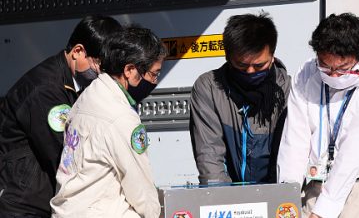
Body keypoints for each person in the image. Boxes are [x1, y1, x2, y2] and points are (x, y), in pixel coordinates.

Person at [277, 13, 359, 218]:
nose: (333, 76)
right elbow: (294, 140)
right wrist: (286, 198)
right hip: (315, 184)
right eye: (326, 67)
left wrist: (322, 213)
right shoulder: (307, 73)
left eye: (343, 69)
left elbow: (353, 155)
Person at [0, 15, 121, 217]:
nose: (101, 74)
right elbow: (65, 154)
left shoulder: (75, 85)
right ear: (78, 51)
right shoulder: (45, 90)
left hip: (41, 199)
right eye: (98, 65)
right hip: (22, 203)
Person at [51, 26, 167, 218]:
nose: (155, 81)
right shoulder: (120, 117)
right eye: (154, 74)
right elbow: (140, 188)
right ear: (129, 70)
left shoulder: (86, 98)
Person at [190, 13, 290, 184]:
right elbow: (209, 155)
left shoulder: (288, 90)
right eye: (241, 65)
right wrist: (224, 201)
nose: (250, 72)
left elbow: (290, 155)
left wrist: (277, 196)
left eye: (259, 65)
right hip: (229, 197)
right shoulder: (209, 87)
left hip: (276, 193)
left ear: (272, 56)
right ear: (228, 57)